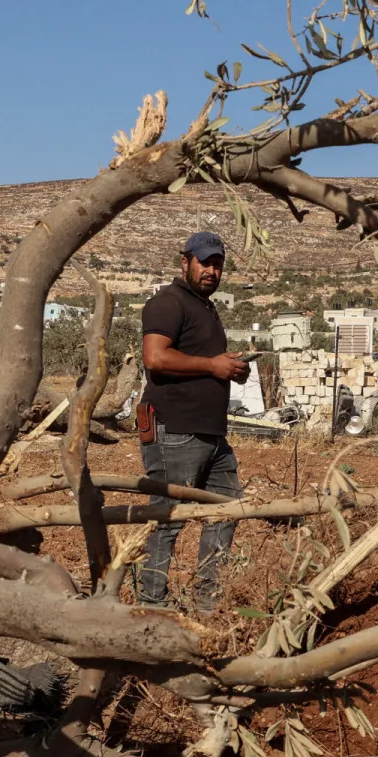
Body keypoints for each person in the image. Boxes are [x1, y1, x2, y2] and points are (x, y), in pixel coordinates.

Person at [134, 231, 251, 609]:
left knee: (227, 507)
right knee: (167, 520)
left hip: (209, 433)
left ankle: (207, 601)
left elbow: (200, 364)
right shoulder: (168, 303)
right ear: (185, 262)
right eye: (204, 262)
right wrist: (213, 365)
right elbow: (155, 358)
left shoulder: (203, 306)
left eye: (217, 264)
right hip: (175, 430)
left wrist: (229, 368)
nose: (211, 270)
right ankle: (151, 605)